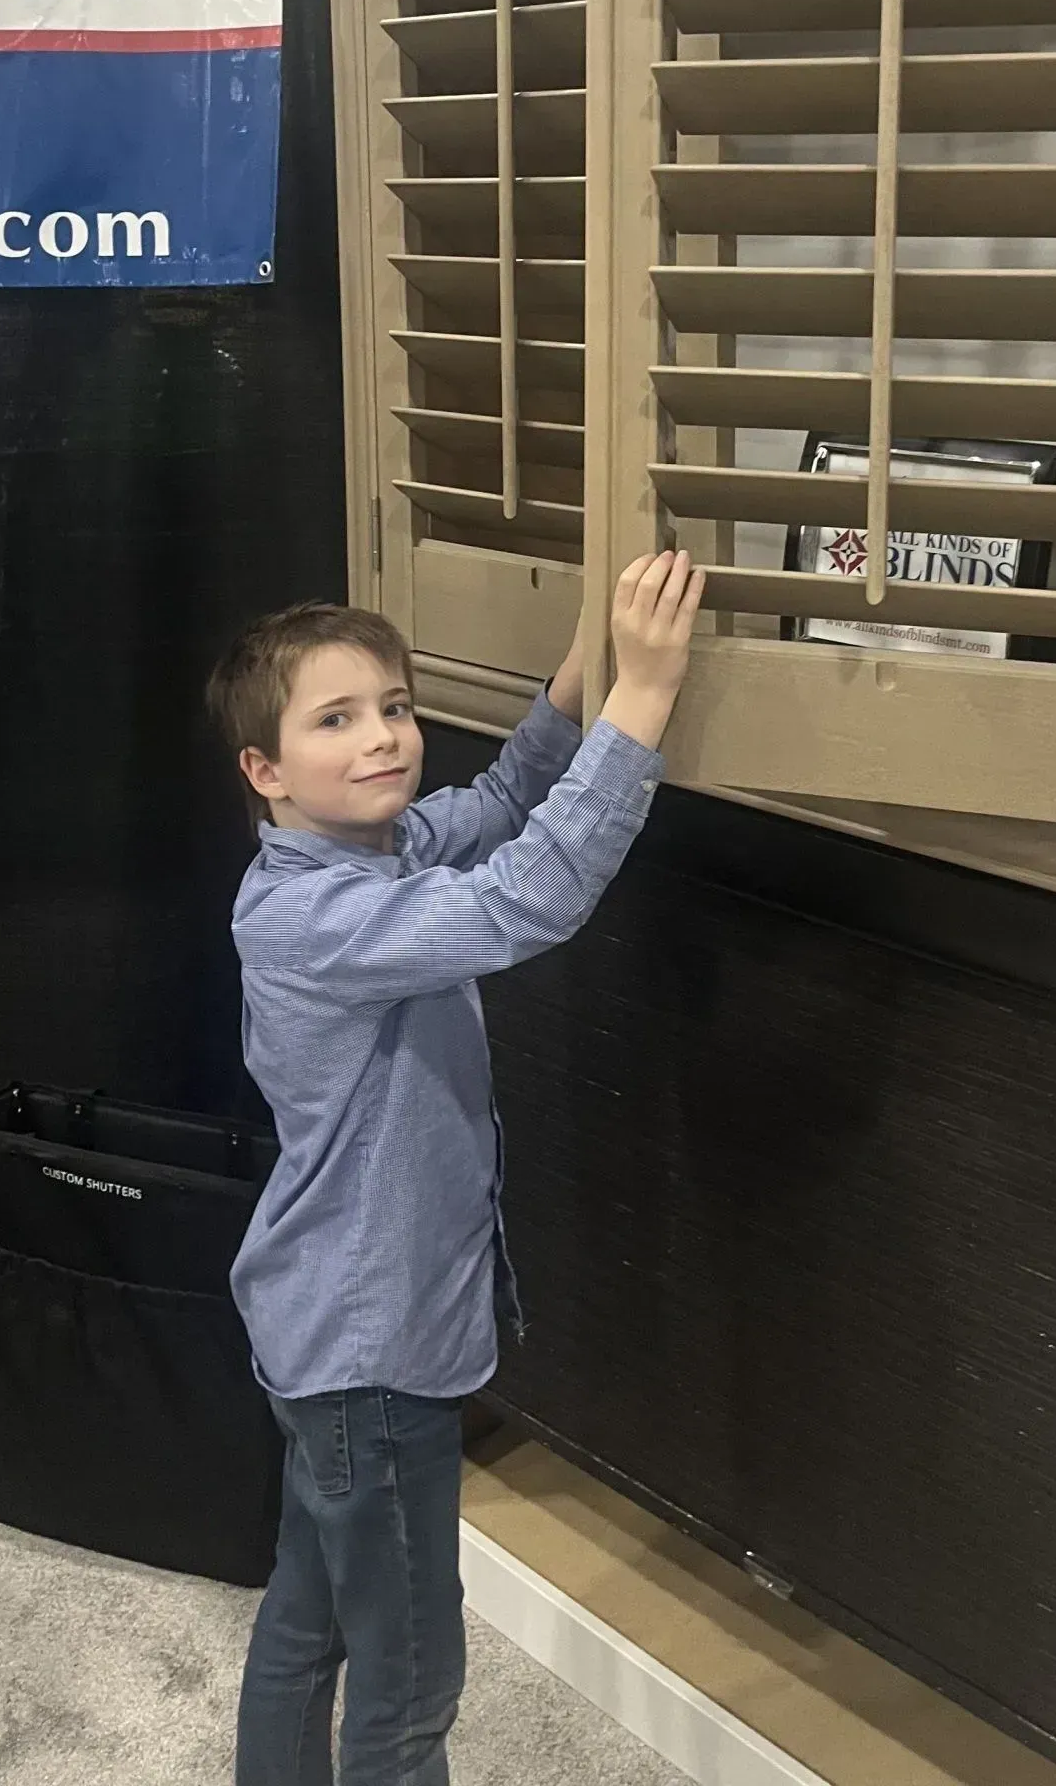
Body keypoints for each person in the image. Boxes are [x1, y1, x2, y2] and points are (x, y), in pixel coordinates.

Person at [205, 549, 705, 1786]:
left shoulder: (376, 848)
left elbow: (504, 801)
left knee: (315, 1610)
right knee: (412, 1678)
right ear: (263, 772)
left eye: (394, 706)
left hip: (325, 1335)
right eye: (336, 720)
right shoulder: (307, 913)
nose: (382, 738)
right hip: (370, 1363)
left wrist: (581, 681)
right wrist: (643, 701)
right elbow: (520, 900)